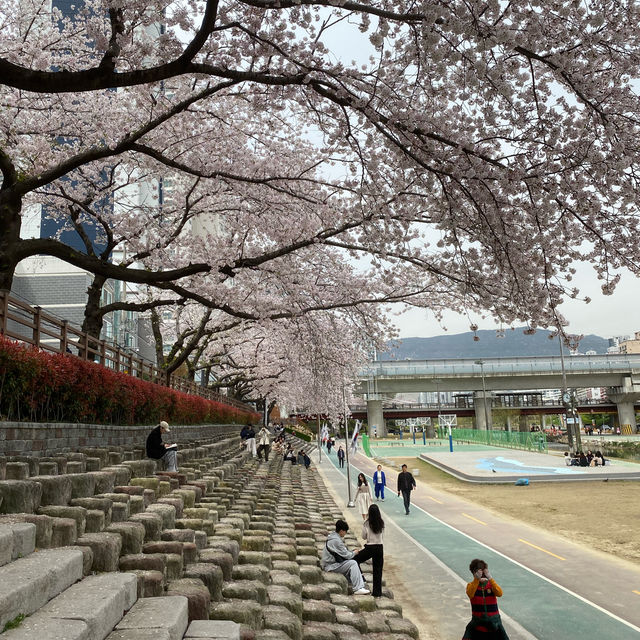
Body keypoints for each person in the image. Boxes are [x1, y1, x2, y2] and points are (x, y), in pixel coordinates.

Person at [462, 559, 509, 640]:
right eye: (479, 573)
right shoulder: (471, 586)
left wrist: (490, 579)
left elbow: (500, 593)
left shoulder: (491, 585)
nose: (482, 576)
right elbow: (470, 594)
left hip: (494, 626)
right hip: (478, 628)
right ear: (474, 573)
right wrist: (476, 580)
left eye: (483, 573)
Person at [320, 519, 370, 595]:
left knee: (350, 564)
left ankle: (358, 583)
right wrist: (355, 552)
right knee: (353, 563)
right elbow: (347, 555)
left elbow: (343, 552)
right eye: (345, 531)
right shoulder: (336, 541)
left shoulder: (332, 536)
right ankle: (358, 588)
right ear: (341, 531)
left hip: (329, 563)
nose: (345, 533)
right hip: (330, 566)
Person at [355, 504, 384, 597]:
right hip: (379, 547)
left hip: (370, 547)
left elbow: (363, 537)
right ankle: (377, 593)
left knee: (355, 560)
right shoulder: (381, 523)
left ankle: (361, 579)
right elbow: (383, 536)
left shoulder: (366, 523)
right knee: (378, 571)